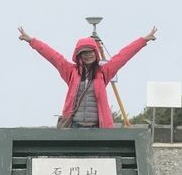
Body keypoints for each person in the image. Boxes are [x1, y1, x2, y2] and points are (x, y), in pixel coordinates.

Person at [18, 25, 157, 127]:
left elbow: (123, 56)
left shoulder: (103, 72)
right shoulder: (71, 72)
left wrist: (143, 40)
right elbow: (53, 56)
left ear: (95, 53)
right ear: (79, 55)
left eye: (91, 52)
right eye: (84, 52)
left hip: (98, 127)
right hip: (75, 126)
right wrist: (32, 41)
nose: (88, 55)